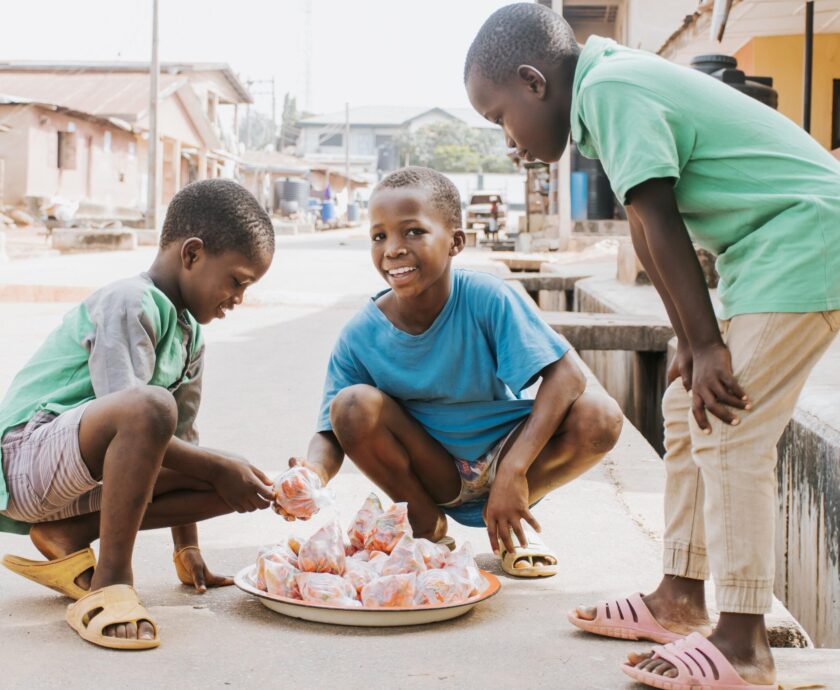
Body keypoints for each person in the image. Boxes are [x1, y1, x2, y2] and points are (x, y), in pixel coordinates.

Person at [464, 4, 840, 688]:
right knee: (682, 405)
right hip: (766, 253)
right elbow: (644, 223)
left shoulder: (612, 88)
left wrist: (708, 340)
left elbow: (661, 215)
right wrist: (687, 342)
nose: (506, 140)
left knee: (730, 422)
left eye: (499, 118)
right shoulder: (604, 95)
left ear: (533, 82)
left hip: (808, 239)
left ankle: (743, 642)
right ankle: (679, 597)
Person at [276, 166, 622, 577]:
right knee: (350, 404)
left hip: (508, 454)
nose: (393, 249)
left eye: (413, 232)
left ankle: (513, 515)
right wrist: (311, 475)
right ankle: (425, 522)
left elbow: (568, 376)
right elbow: (331, 432)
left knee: (600, 416)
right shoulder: (361, 334)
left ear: (456, 241)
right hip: (433, 469)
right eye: (379, 236)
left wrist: (513, 471)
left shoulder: (486, 297)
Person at [0, 179, 277, 650]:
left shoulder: (190, 335)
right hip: (26, 458)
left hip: (78, 478)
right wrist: (215, 463)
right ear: (191, 254)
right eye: (236, 281)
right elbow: (134, 415)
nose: (238, 299)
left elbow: (180, 444)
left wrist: (187, 549)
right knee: (154, 410)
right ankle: (111, 584)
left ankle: (66, 533)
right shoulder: (130, 301)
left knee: (239, 479)